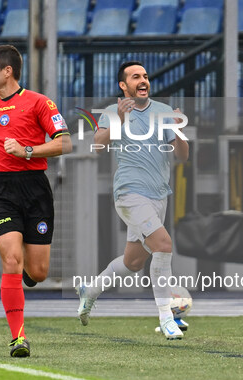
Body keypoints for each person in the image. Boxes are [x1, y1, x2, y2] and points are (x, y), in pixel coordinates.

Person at [0, 45, 72, 357]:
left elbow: (65, 142)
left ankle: (26, 277)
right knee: (11, 259)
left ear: (8, 71)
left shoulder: (39, 103)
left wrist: (28, 150)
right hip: (0, 192)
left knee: (39, 271)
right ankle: (18, 337)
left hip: (35, 190)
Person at [75, 61, 189, 339]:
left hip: (159, 195)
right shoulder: (114, 112)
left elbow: (183, 156)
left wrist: (178, 130)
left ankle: (90, 290)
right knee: (163, 245)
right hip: (129, 194)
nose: (143, 80)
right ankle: (166, 317)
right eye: (135, 76)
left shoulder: (163, 111)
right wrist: (120, 121)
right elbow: (97, 146)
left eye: (146, 76)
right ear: (123, 86)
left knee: (133, 262)